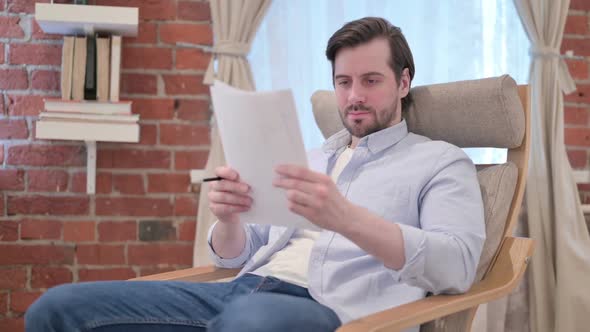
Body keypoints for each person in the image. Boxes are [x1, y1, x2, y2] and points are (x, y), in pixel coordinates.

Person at [25, 17, 485, 332]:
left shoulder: (441, 162)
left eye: (371, 80)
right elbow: (233, 257)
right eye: (343, 82)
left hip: (329, 309)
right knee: (57, 310)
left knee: (249, 321)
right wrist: (229, 217)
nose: (353, 96)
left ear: (403, 82)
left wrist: (345, 218)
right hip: (238, 292)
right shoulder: (308, 157)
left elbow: (457, 266)